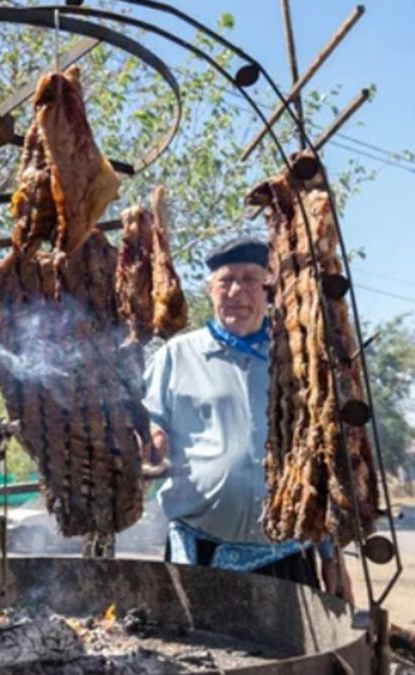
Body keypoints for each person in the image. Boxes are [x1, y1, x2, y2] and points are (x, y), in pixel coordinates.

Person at [143, 235, 352, 601]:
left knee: (289, 656)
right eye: (225, 280)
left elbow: (323, 462)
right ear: (210, 290)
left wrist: (332, 556)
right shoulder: (177, 355)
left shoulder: (297, 359)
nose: (236, 291)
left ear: (269, 289)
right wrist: (150, 438)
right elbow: (148, 424)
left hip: (287, 554)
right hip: (200, 555)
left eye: (250, 280)